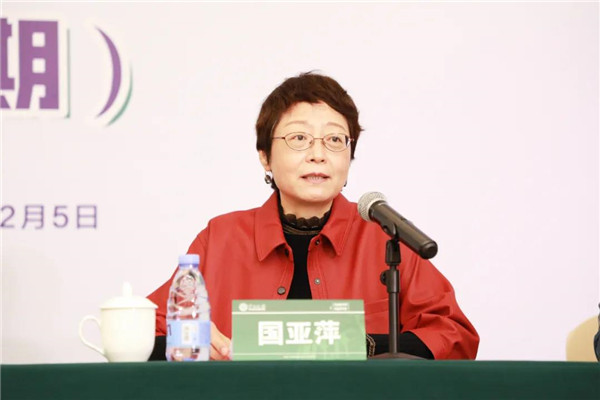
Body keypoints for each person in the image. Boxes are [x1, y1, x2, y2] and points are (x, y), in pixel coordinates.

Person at [147, 72, 479, 360]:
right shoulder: (222, 237)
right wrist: (194, 341)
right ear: (265, 156)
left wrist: (361, 345)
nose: (318, 154)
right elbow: (147, 330)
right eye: (299, 139)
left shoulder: (383, 237)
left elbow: (454, 335)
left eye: (334, 139)